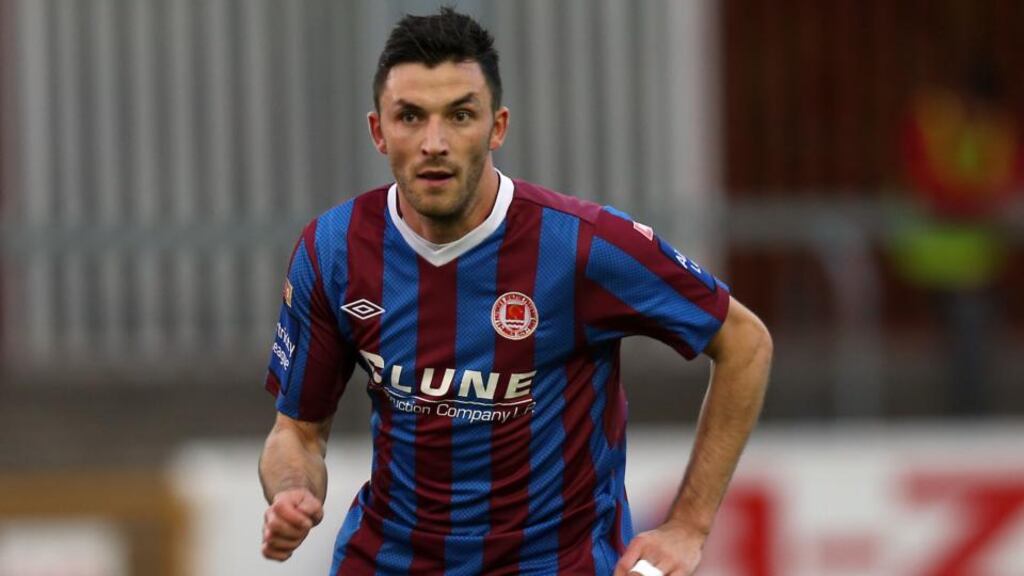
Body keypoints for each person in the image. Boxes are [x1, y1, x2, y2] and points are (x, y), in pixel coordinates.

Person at [258, 7, 772, 576]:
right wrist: (290, 493)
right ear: (379, 131)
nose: (435, 142)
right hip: (388, 561)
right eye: (410, 116)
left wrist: (689, 525)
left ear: (497, 126)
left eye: (460, 115)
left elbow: (745, 343)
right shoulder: (335, 249)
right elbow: (297, 435)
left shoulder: (583, 247)